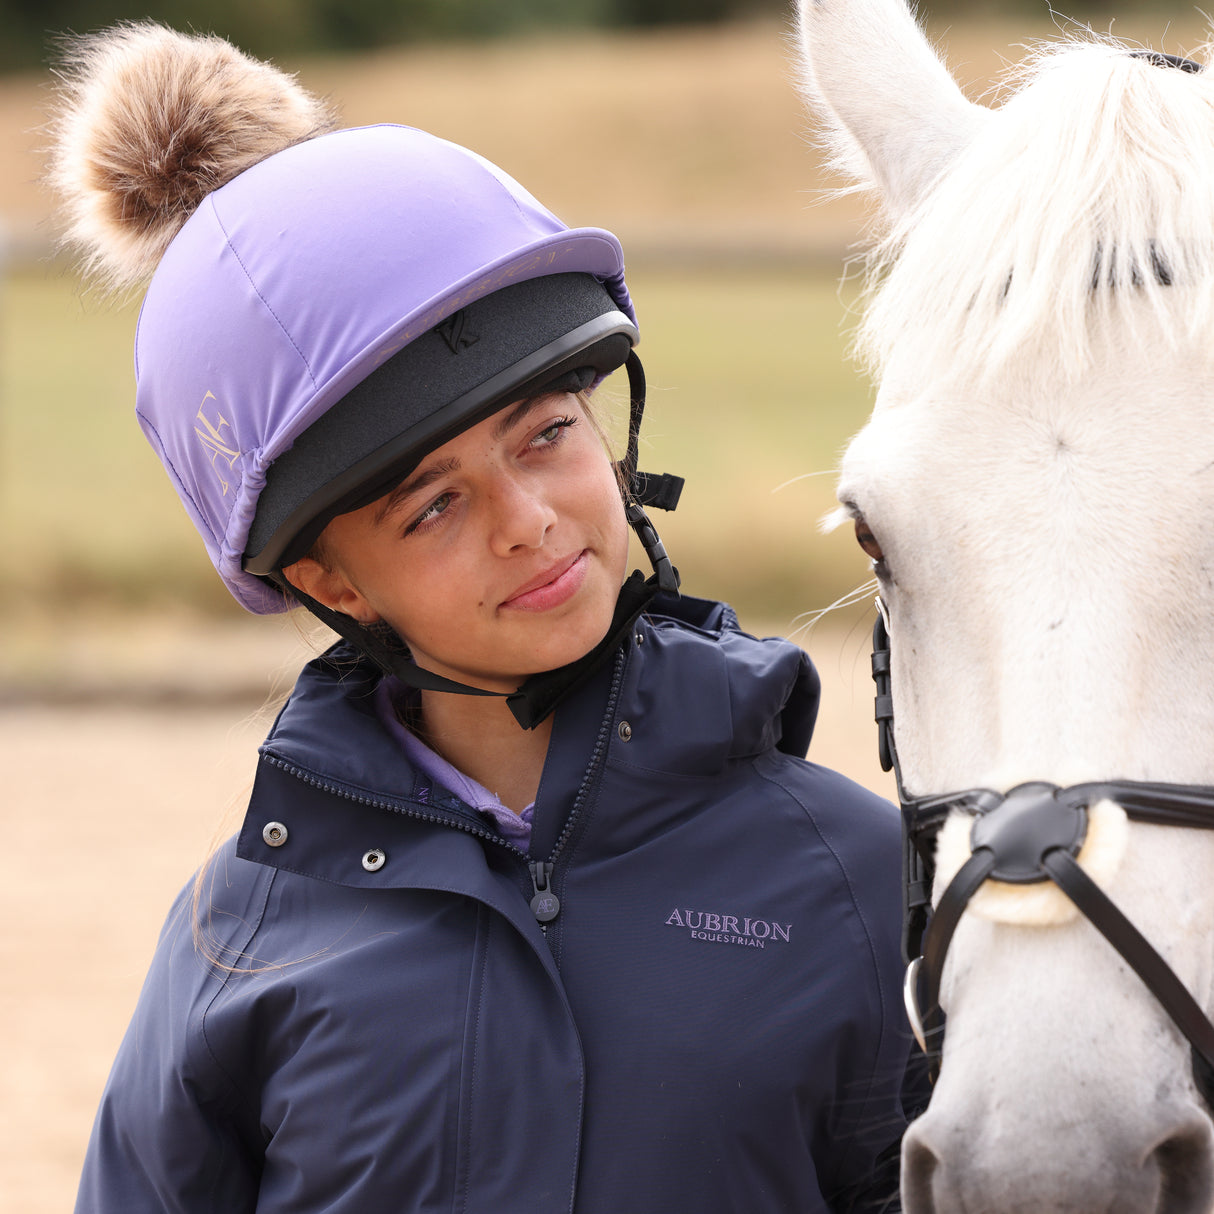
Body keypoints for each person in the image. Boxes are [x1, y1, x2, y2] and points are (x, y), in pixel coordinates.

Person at [51, 22, 917, 1214]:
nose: (527, 521)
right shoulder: (230, 939)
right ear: (333, 584)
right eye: (432, 505)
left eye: (546, 434)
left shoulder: (857, 881)